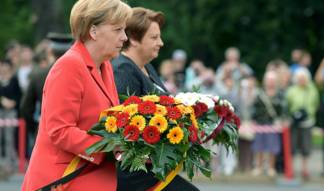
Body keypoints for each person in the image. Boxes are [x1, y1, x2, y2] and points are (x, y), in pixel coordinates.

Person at [21, 0, 132, 190]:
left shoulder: (105, 66)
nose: (124, 37)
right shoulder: (69, 66)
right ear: (93, 31)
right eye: (117, 30)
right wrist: (109, 146)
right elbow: (60, 131)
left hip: (91, 177)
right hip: (64, 180)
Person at [112, 7, 199, 191]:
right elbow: (126, 129)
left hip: (152, 168)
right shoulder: (123, 70)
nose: (160, 42)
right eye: (153, 37)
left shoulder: (147, 67)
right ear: (134, 39)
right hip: (135, 172)